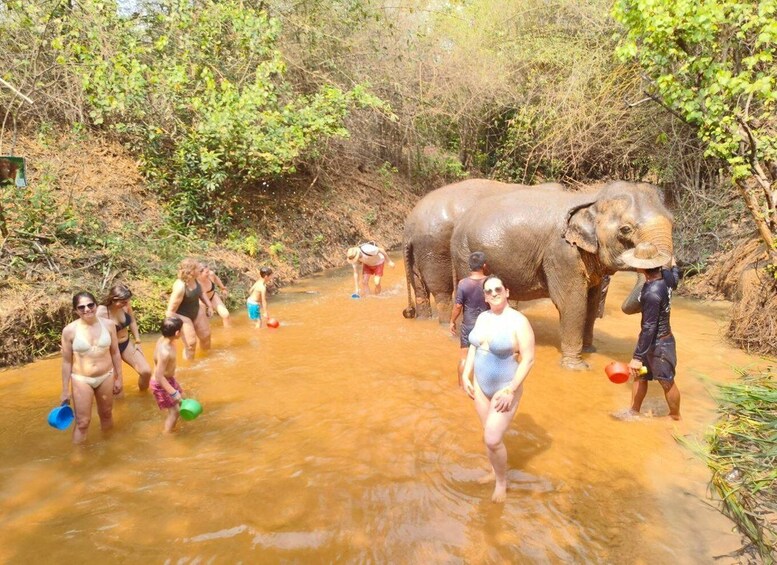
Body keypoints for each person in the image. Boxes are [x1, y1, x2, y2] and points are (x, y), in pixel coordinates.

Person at [461, 275, 535, 502]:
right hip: (482, 389)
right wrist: (465, 374)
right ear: (484, 296)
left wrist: (511, 389)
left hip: (505, 389)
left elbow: (529, 359)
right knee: (487, 436)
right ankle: (493, 471)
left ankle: (502, 482)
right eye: (489, 291)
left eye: (498, 289)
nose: (494, 293)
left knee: (493, 439)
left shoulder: (518, 321)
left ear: (507, 291)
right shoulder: (483, 318)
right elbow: (474, 347)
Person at [623, 242, 682, 420]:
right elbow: (675, 277)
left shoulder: (651, 293)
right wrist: (674, 265)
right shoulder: (665, 276)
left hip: (659, 346)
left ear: (641, 267)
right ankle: (633, 411)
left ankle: (675, 418)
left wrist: (637, 357)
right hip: (653, 342)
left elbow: (650, 327)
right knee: (640, 376)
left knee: (666, 381)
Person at [60, 291, 124, 444]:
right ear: (75, 310)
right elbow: (67, 362)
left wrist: (119, 378)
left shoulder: (108, 325)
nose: (87, 309)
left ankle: (109, 451)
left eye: (90, 305)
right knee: (82, 422)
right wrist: (64, 390)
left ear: (96, 305)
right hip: (81, 379)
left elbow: (115, 353)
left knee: (107, 415)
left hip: (106, 376)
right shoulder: (69, 331)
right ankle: (78, 460)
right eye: (81, 307)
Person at [97, 283, 152, 391]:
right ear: (113, 299)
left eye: (127, 301)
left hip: (126, 344)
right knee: (117, 389)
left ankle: (143, 398)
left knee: (146, 372)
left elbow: (132, 321)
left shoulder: (126, 305)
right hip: (110, 349)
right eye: (123, 302)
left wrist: (137, 341)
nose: (126, 304)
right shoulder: (100, 312)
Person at [450, 251, 488, 388]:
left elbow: (458, 306)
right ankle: (483, 387)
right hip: (486, 325)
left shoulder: (463, 283)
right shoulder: (489, 282)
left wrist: (452, 321)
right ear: (484, 265)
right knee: (486, 356)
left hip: (468, 325)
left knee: (464, 357)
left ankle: (462, 387)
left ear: (469, 266)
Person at [166, 258, 213, 360]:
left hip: (196, 310)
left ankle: (207, 360)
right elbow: (170, 311)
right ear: (191, 271)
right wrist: (171, 330)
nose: (200, 270)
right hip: (182, 315)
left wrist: (209, 305)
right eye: (197, 268)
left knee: (206, 336)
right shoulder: (180, 286)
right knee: (191, 344)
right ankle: (190, 368)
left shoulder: (196, 279)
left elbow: (201, 292)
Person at [151, 317, 186, 433]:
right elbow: (159, 376)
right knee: (174, 411)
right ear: (177, 333)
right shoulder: (165, 352)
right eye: (182, 330)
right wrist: (173, 392)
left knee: (183, 398)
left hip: (169, 379)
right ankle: (167, 435)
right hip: (161, 383)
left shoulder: (164, 339)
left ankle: (180, 424)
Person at [198, 263, 231, 327]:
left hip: (212, 296)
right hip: (200, 301)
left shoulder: (211, 274)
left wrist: (223, 288)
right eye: (206, 272)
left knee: (225, 315)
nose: (209, 273)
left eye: (209, 270)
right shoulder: (195, 281)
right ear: (199, 273)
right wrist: (209, 307)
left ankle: (228, 332)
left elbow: (216, 278)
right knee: (203, 321)